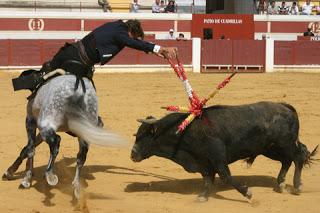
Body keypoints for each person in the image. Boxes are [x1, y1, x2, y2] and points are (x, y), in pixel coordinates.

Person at [14, 20, 178, 92]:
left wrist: (156, 52)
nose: (131, 40)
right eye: (133, 37)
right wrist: (159, 48)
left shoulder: (117, 26)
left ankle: (29, 82)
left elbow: (134, 43)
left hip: (74, 55)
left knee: (49, 72)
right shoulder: (121, 32)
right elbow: (133, 43)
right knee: (78, 92)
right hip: (76, 60)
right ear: (131, 31)